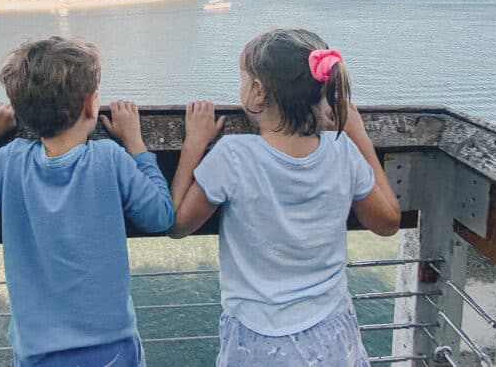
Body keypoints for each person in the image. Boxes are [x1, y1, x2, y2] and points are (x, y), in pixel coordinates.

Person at [0, 36, 174, 366]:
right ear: (90, 104)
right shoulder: (109, 158)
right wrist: (136, 145)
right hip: (110, 349)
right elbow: (160, 216)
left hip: (38, 354)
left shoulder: (10, 161)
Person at [168, 28, 401, 366]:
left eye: (244, 81)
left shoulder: (233, 156)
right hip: (330, 334)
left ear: (258, 93)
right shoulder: (343, 154)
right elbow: (389, 222)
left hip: (257, 339)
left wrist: (193, 145)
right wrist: (358, 135)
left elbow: (176, 223)